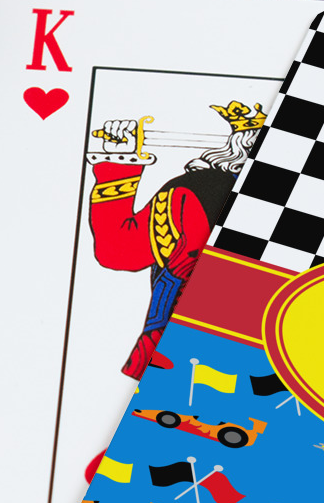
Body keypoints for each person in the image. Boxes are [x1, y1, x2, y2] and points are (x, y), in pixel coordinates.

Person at [86, 101, 266, 380]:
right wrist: (120, 161)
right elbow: (119, 251)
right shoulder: (196, 192)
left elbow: (117, 251)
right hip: (188, 354)